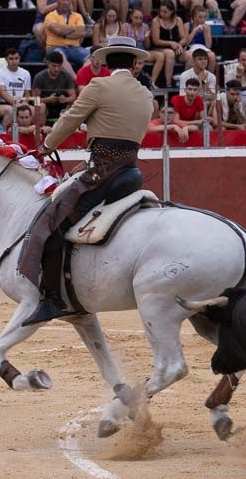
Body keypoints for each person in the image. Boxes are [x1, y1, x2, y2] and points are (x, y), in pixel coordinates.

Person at [21, 35, 155, 325]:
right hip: (132, 175)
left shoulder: (99, 85)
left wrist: (47, 145)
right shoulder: (146, 95)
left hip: (100, 175)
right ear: (134, 64)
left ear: (106, 63)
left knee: (51, 224)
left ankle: (53, 299)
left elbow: (70, 120)